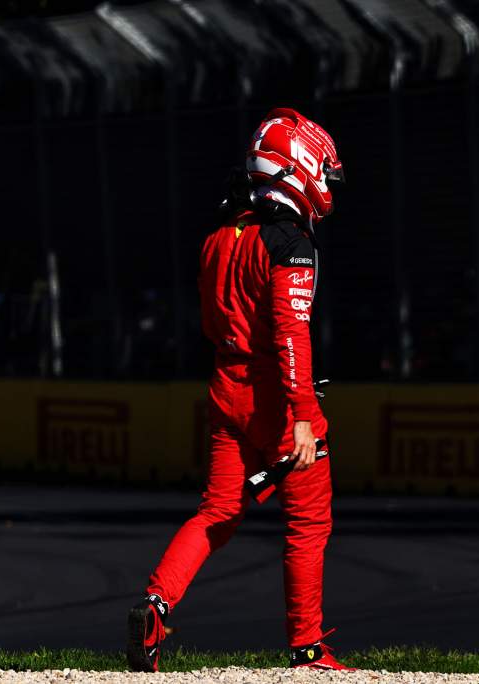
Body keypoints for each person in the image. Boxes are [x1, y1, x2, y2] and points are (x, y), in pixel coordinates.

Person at [126, 108, 352, 672]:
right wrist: (302, 411)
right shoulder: (291, 243)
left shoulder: (218, 238)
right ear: (297, 167)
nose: (326, 185)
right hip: (277, 398)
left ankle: (156, 605)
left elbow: (212, 324)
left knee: (218, 512)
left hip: (225, 387)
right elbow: (290, 332)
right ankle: (307, 646)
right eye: (322, 171)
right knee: (308, 524)